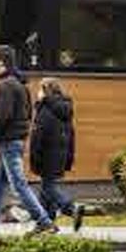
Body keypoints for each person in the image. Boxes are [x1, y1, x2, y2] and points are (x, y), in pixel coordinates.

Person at [0, 44, 57, 236]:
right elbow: (27, 113)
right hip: (13, 141)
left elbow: (4, 116)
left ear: (1, 62)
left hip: (8, 141)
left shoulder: (6, 85)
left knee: (18, 185)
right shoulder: (19, 84)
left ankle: (44, 222)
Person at [30, 77, 85, 232]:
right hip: (60, 156)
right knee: (45, 190)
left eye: (40, 89)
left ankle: (71, 208)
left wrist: (34, 158)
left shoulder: (45, 109)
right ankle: (46, 223)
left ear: (46, 91)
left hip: (47, 156)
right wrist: (69, 157)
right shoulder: (65, 109)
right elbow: (71, 136)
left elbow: (38, 137)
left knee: (48, 189)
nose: (38, 93)